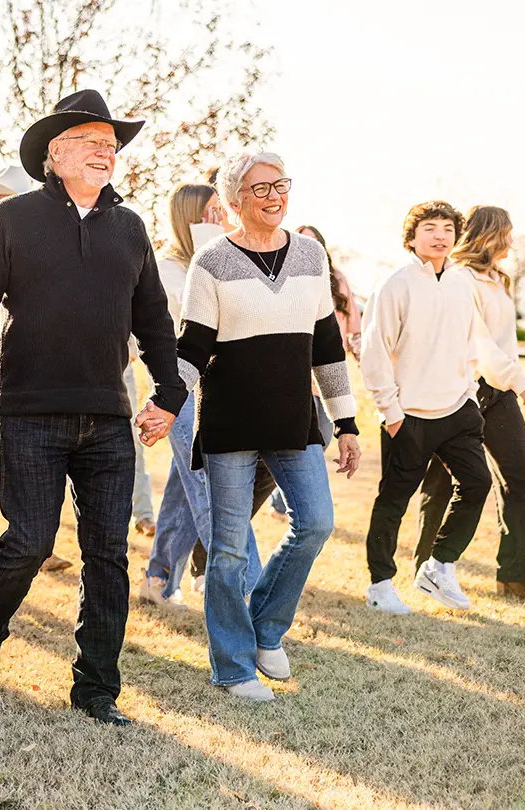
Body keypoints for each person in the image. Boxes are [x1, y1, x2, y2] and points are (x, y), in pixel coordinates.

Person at [0, 90, 186, 726]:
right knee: (27, 540)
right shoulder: (14, 220)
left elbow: (155, 318)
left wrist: (170, 393)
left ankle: (96, 689)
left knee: (107, 553)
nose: (107, 150)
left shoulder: (131, 227)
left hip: (109, 416)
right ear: (55, 154)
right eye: (92, 141)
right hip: (30, 411)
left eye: (111, 143)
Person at [175, 152, 362, 701]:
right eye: (260, 189)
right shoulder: (210, 261)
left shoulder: (310, 254)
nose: (274, 196)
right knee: (230, 548)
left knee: (317, 523)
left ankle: (265, 630)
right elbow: (192, 347)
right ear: (234, 202)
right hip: (230, 424)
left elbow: (326, 343)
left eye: (281, 185)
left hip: (294, 421)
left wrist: (345, 421)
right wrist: (166, 402)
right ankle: (232, 666)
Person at [360, 201, 519, 615]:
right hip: (408, 416)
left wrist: (468, 393)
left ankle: (439, 565)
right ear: (411, 237)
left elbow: (473, 341)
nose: (440, 235)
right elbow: (374, 353)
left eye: (448, 228)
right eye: (429, 228)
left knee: (477, 483)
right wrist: (391, 414)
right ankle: (380, 584)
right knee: (394, 501)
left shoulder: (461, 283)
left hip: (458, 409)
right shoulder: (395, 285)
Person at [414, 206, 525, 601]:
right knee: (440, 485)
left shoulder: (496, 279)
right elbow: (480, 343)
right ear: (489, 235)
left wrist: (510, 380)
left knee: (518, 477)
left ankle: (516, 574)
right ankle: (427, 570)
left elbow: (503, 341)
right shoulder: (458, 278)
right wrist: (519, 380)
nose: (511, 240)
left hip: (498, 394)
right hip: (460, 390)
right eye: (506, 232)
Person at [0, 167, 72, 572]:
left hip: (33, 364)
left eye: (5, 199)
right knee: (16, 447)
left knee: (7, 447)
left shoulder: (42, 239)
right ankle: (20, 537)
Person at [138, 181, 225, 606]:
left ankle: (158, 576)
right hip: (179, 388)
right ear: (188, 216)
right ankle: (237, 588)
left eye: (221, 210)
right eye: (209, 211)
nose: (219, 218)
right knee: (207, 482)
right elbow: (174, 334)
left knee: (183, 483)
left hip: (220, 388)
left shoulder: (222, 259)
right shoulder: (167, 269)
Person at [265, 224, 362, 517]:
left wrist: (358, 354)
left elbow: (352, 323)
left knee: (322, 436)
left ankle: (282, 500)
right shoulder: (282, 277)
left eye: (314, 242)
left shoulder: (336, 280)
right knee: (298, 443)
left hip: (325, 377)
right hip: (294, 379)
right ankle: (288, 501)